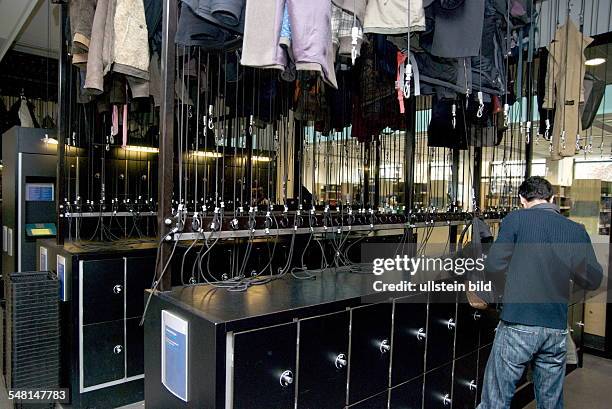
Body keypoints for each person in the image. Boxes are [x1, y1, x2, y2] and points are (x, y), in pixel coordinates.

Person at [478, 176, 603, 409]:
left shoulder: (516, 219)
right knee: (550, 402)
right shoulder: (575, 230)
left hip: (519, 322)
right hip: (555, 327)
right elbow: (592, 279)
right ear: (553, 199)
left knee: (496, 399)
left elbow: (494, 266)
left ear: (522, 199)